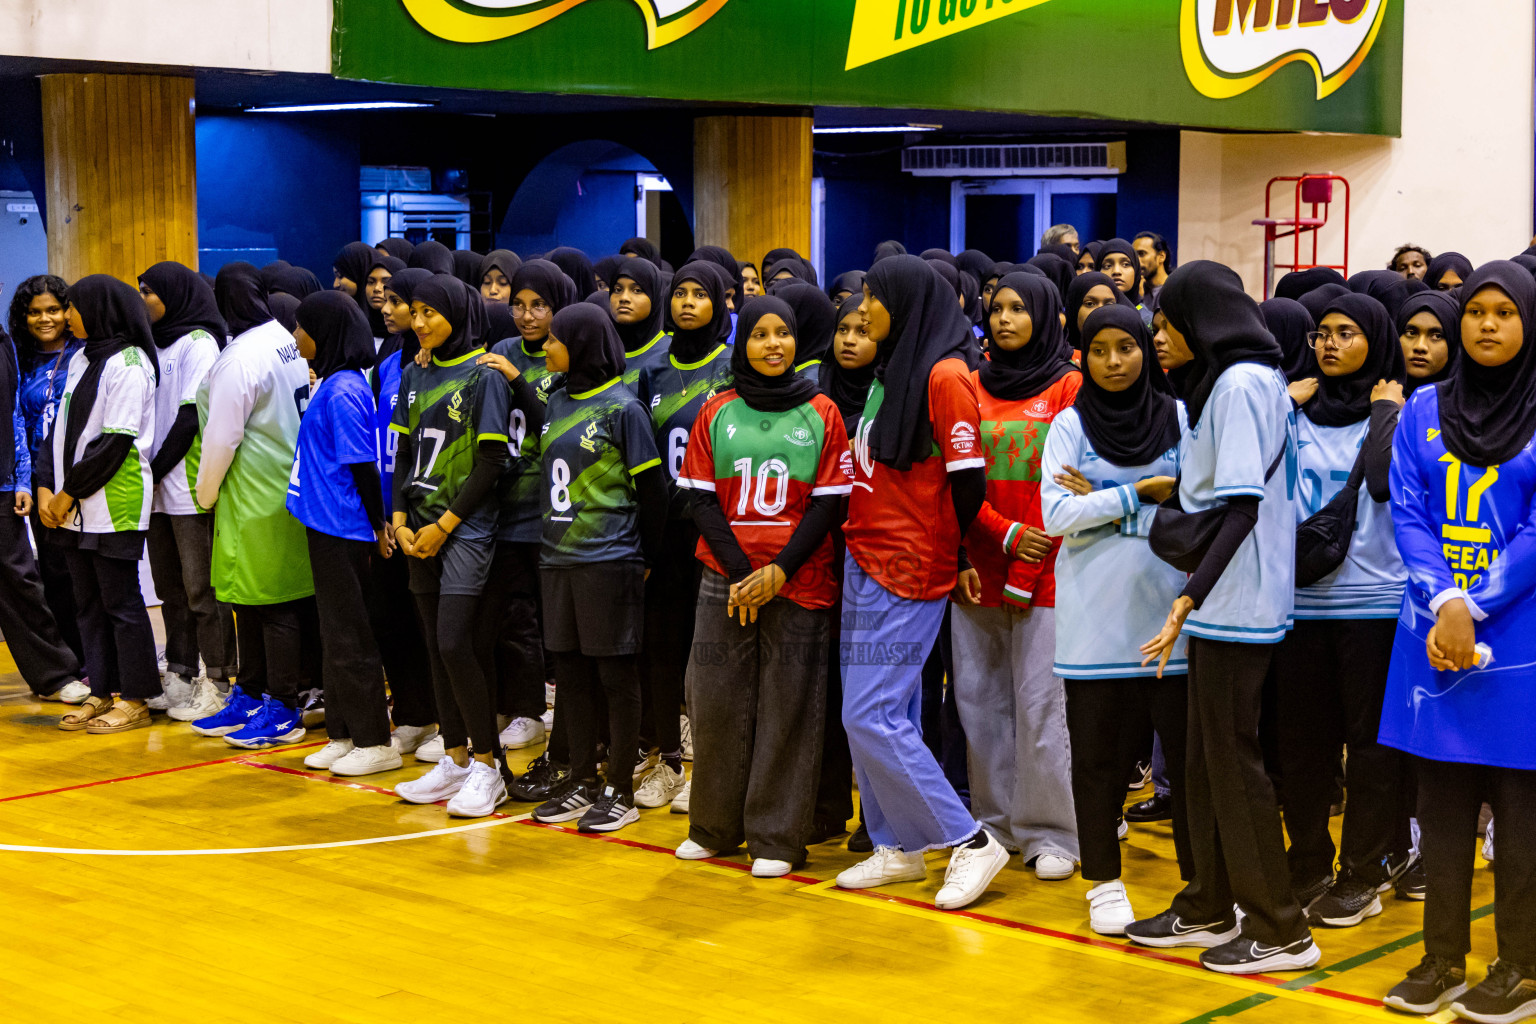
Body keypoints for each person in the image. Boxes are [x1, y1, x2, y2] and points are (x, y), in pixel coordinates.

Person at [1128, 261, 1319, 974]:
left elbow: (1242, 507)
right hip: (1226, 599)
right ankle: (1209, 901)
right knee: (1204, 761)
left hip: (1235, 600)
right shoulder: (1244, 379)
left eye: (1167, 323)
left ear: (1201, 321)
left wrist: (1189, 596)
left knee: (1233, 764)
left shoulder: (1239, 386)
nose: (1157, 336)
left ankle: (1280, 928)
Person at [1379, 262, 1536, 1022]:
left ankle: (1522, 965)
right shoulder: (1423, 409)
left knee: (1522, 814)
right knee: (1440, 808)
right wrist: (1443, 598)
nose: (1486, 326)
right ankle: (1441, 956)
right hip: (1433, 633)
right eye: (1476, 312)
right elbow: (1407, 510)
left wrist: (1476, 604)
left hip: (1519, 640)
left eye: (1505, 313)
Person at [833, 254, 1008, 912]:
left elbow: (968, 481)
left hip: (910, 564)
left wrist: (961, 553)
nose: (863, 307)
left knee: (871, 712)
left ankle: (969, 841)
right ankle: (898, 846)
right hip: (864, 554)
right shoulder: (893, 368)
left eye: (874, 296)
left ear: (905, 303)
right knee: (881, 714)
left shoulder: (946, 375)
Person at [674, 296, 851, 875]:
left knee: (788, 710)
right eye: (760, 335)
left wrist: (777, 572)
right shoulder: (716, 410)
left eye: (783, 334)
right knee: (717, 704)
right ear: (742, 342)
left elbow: (830, 504)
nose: (773, 344)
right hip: (724, 581)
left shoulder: (823, 411)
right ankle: (715, 826)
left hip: (798, 582)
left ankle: (776, 838)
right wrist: (740, 573)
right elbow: (698, 496)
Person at [1042, 302, 1189, 934]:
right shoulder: (1069, 426)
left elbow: (1197, 502)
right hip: (1093, 623)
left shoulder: (1181, 417)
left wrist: (1103, 507)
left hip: (1173, 620)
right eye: (1098, 350)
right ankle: (1103, 878)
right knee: (1098, 762)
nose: (1113, 362)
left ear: (1144, 350)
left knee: (1185, 762)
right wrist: (1142, 494)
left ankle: (1202, 882)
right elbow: (1055, 517)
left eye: (1125, 348)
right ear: (1083, 354)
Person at [1275, 292, 1412, 928]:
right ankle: (1307, 862)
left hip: (1375, 604)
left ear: (1375, 341)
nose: (1329, 344)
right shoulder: (1294, 408)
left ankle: (1364, 871)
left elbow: (1387, 484)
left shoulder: (1397, 414)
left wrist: (1386, 411)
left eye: (1347, 333)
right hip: (1299, 602)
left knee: (1371, 749)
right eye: (1322, 333)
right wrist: (1282, 405)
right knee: (1301, 747)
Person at [951, 271, 1081, 881]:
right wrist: (978, 547)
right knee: (979, 703)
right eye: (996, 308)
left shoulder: (1067, 387)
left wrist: (1027, 557)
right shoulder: (968, 385)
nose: (1003, 319)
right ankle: (996, 826)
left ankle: (1052, 832)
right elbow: (955, 485)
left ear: (1048, 316)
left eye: (1018, 309)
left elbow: (1068, 484)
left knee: (1038, 706)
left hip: (1046, 568)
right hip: (979, 565)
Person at [527, 304, 667, 832]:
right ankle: (582, 778)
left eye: (555, 339)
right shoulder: (557, 399)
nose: (547, 346)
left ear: (581, 344)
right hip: (556, 558)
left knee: (615, 674)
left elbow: (653, 492)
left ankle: (620, 789)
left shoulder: (623, 410)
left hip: (609, 559)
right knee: (571, 674)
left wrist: (645, 558)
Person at [389, 275, 515, 817]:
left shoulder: (484, 375)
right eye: (414, 312)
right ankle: (457, 758)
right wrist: (397, 519)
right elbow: (403, 452)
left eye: (429, 313)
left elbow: (493, 462)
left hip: (465, 529)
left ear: (457, 314)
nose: (418, 322)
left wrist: (445, 524)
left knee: (455, 645)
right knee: (433, 648)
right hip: (416, 528)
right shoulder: (413, 371)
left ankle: (490, 769)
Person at [188, 262, 316, 749]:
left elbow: (221, 437)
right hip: (283, 484)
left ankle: (282, 707)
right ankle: (252, 692)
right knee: (252, 602)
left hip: (252, 490)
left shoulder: (239, 358)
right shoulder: (282, 337)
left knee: (273, 606)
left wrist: (205, 492)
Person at [36, 275, 160, 733]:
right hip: (72, 504)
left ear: (99, 308)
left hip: (114, 500)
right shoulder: (81, 359)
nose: (66, 316)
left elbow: (113, 443)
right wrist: (48, 487)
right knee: (86, 603)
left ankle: (136, 697)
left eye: (71, 307)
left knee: (121, 602)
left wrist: (69, 492)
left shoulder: (130, 363)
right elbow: (59, 430)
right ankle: (102, 690)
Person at [633, 261, 735, 810]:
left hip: (714, 530)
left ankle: (710, 770)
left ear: (718, 303)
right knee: (662, 647)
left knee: (711, 655)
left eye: (700, 295)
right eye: (680, 294)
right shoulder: (652, 371)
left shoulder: (730, 367)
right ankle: (667, 761)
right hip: (666, 530)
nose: (687, 303)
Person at [288, 291, 402, 777]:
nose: (295, 337)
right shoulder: (332, 382)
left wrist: (379, 527)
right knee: (333, 634)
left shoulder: (345, 390)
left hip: (345, 529)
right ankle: (342, 732)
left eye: (301, 327)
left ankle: (376, 741)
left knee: (350, 635)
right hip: (324, 525)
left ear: (327, 331)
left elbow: (362, 465)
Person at [478, 260, 576, 796]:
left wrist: (520, 384)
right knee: (513, 614)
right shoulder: (503, 350)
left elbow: (556, 422)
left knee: (556, 618)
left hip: (556, 509)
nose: (526, 315)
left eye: (538, 305)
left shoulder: (567, 353)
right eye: (518, 304)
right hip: (507, 507)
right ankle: (526, 709)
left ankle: (564, 708)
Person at [137, 261, 237, 716]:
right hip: (155, 487)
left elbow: (188, 417)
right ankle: (180, 670)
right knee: (169, 588)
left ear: (173, 294)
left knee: (202, 591)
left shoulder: (199, 342)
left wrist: (154, 470)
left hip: (186, 487)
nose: (142, 300)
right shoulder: (151, 344)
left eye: (149, 291)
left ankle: (218, 680)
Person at [5, 274, 88, 702]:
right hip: (38, 480)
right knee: (53, 574)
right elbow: (16, 422)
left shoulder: (84, 354)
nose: (45, 318)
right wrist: (29, 481)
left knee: (84, 574)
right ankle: (71, 662)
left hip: (84, 477)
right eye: (35, 311)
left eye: (53, 309)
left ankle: (95, 662)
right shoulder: (17, 356)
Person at [610, 256, 672, 391]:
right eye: (617, 290)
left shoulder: (671, 353)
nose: (624, 298)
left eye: (637, 290)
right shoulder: (601, 352)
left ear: (654, 296)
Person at [1398, 290, 1461, 397]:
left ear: (1453, 343)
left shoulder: (1468, 404)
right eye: (1411, 333)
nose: (1420, 346)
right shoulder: (1376, 395)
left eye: (1437, 336)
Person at [1134, 232, 1174, 304]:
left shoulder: (1176, 290)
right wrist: (1139, 300)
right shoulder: (1138, 291)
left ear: (1161, 256)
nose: (1136, 261)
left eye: (1141, 254)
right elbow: (1137, 310)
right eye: (1134, 256)